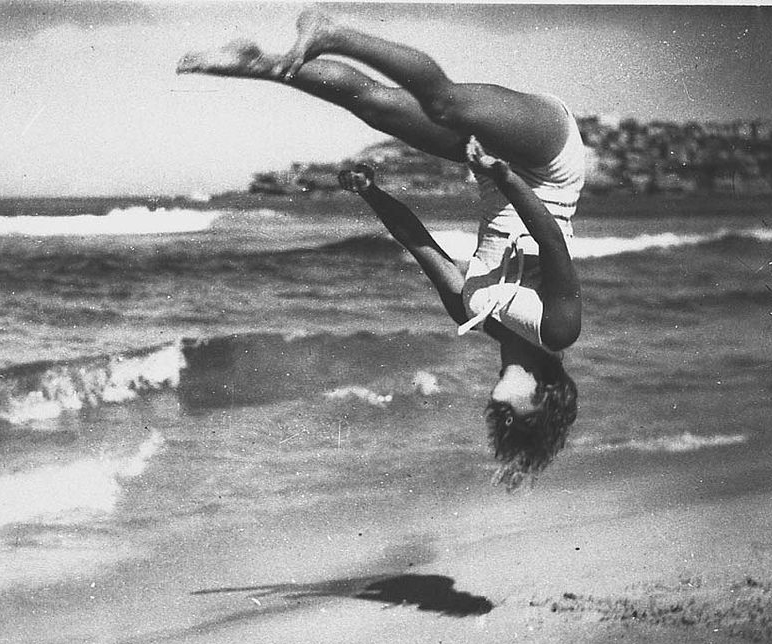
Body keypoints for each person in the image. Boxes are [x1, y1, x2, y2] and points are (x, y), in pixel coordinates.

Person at [178, 10, 584, 489]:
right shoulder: (557, 330)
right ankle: (330, 32)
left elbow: (417, 242)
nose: (501, 415)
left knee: (374, 107)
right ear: (544, 398)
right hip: (547, 162)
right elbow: (550, 239)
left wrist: (370, 192)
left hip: (497, 171)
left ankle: (261, 64)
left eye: (505, 426)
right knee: (445, 105)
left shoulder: (469, 310)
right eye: (518, 420)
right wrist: (504, 176)